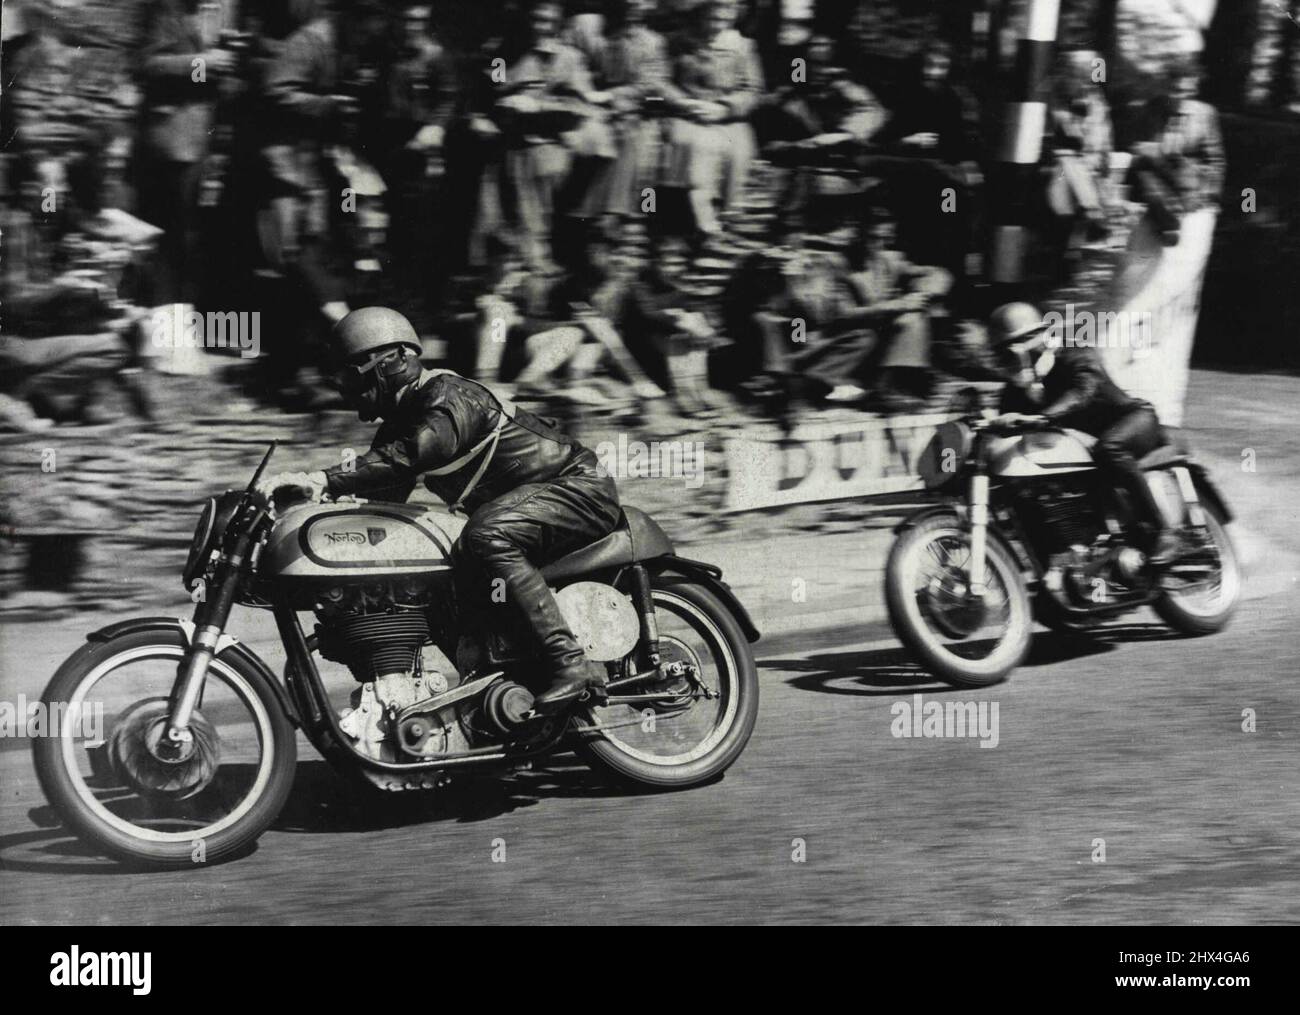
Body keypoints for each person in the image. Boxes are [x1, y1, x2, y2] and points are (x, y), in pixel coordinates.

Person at [256, 306, 622, 713]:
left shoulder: (448, 396)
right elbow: (381, 499)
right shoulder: (399, 426)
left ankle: (572, 664)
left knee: (485, 534)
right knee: (431, 570)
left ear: (392, 362)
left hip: (577, 488)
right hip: (531, 510)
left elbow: (419, 451)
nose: (346, 388)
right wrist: (309, 510)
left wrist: (322, 478)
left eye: (351, 374)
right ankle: (489, 691)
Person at [987, 302, 1181, 568]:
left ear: (1035, 340)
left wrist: (1042, 417)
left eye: (1012, 348)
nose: (1006, 360)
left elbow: (1081, 393)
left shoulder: (1075, 355)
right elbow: (1005, 422)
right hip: (1084, 446)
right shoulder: (1015, 389)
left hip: (1133, 420)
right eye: (1001, 353)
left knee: (1108, 448)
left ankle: (1163, 530)